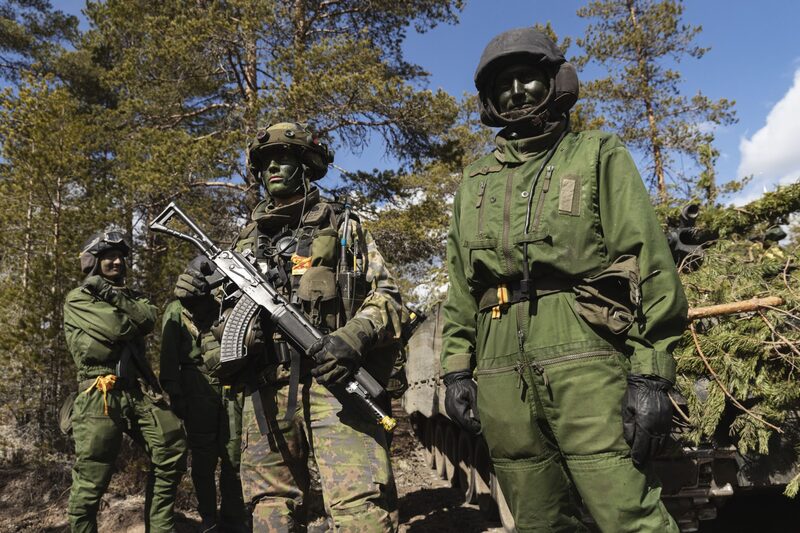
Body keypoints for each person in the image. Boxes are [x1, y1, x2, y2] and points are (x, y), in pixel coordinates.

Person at [440, 27, 688, 532]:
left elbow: (647, 257)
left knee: (625, 510)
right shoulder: (475, 180)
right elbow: (461, 284)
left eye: (527, 78)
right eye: (503, 83)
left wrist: (651, 373)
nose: (515, 91)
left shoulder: (596, 153)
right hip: (498, 359)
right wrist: (456, 369)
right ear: (488, 99)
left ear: (556, 83)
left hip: (583, 349)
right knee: (537, 518)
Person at [175, 122, 402, 531]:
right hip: (264, 392)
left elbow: (388, 298)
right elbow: (213, 339)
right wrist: (199, 307)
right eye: (266, 162)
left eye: (285, 158)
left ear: (305, 164)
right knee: (269, 512)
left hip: (334, 384)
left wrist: (351, 338)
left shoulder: (343, 227)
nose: (274, 167)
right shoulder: (243, 246)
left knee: (360, 510)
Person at [63, 231, 187, 533]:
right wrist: (123, 308)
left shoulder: (132, 297)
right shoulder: (78, 298)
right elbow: (119, 327)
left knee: (171, 447)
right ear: (93, 261)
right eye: (109, 256)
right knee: (93, 476)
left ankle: (160, 528)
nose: (118, 261)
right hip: (99, 392)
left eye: (121, 257)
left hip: (135, 390)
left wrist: (110, 294)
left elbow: (146, 320)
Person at [160, 275, 247, 532]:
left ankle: (233, 518)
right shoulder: (177, 309)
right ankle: (208, 516)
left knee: (235, 455)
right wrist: (175, 392)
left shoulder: (225, 301)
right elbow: (169, 354)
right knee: (203, 457)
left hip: (231, 383)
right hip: (196, 383)